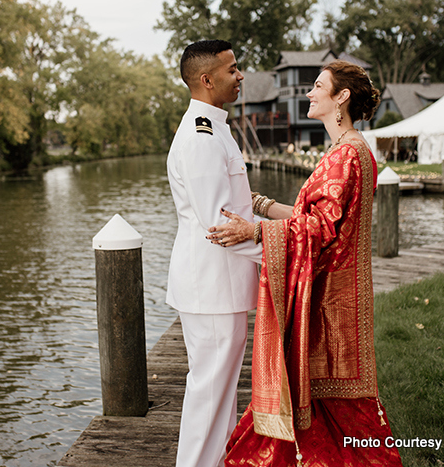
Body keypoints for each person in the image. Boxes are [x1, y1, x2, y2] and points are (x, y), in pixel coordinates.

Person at [207, 60, 403, 466]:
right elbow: (312, 215)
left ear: (341, 97)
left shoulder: (343, 156)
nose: (309, 94)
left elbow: (319, 228)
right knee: (332, 398)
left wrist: (256, 232)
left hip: (330, 294)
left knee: (328, 394)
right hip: (341, 286)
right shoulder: (353, 149)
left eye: (317, 86)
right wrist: (261, 205)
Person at [166, 39, 263, 467]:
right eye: (233, 69)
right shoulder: (202, 136)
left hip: (220, 284)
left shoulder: (214, 126)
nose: (240, 76)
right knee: (209, 393)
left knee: (219, 392)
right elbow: (219, 223)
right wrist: (287, 247)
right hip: (212, 285)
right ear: (207, 80)